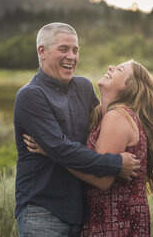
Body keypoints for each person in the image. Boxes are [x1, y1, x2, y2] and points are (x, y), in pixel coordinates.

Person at [25, 59, 153, 236]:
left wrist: (52, 152)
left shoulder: (117, 116)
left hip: (114, 222)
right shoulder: (106, 115)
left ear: (129, 86)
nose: (110, 67)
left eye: (120, 69)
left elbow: (102, 179)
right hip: (113, 219)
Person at [13, 22, 140, 237]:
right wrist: (116, 163)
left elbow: (97, 135)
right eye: (63, 49)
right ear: (41, 52)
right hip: (42, 212)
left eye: (75, 50)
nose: (71, 56)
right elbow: (61, 149)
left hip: (82, 214)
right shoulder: (30, 96)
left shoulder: (83, 87)